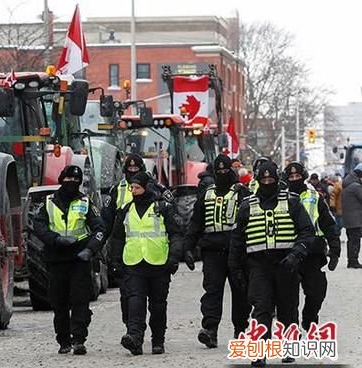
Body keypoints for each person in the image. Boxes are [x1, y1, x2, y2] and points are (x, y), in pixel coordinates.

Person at [229, 161, 315, 367]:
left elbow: (307, 231)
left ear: (277, 179)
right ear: (258, 180)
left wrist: (296, 254)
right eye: (264, 179)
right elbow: (237, 240)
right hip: (258, 265)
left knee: (288, 308)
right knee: (261, 308)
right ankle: (260, 351)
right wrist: (235, 269)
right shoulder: (247, 205)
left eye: (271, 179)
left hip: (287, 263)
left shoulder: (292, 202)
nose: (267, 182)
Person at [32, 165, 106, 355]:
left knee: (80, 301)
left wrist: (90, 250)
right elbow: (39, 227)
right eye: (68, 180)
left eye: (76, 181)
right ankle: (63, 341)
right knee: (59, 303)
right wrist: (55, 239)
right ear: (61, 180)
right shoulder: (48, 203)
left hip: (79, 259)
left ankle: (79, 340)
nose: (71, 184)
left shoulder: (86, 202)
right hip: (56, 259)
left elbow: (99, 229)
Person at [110, 172, 184, 356]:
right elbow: (118, 238)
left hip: (159, 264)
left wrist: (174, 257)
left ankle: (158, 340)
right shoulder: (126, 210)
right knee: (135, 301)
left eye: (137, 188)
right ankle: (135, 337)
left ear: (146, 188)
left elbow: (176, 234)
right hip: (134, 264)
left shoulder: (163, 208)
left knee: (158, 305)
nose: (134, 191)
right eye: (132, 188)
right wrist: (115, 262)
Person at [185, 154, 251, 348]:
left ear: (231, 170)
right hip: (212, 251)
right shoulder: (207, 194)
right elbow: (196, 223)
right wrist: (188, 248)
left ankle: (241, 330)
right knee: (212, 291)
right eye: (219, 170)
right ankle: (210, 330)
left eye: (225, 169)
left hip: (237, 251)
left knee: (240, 291)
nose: (222, 173)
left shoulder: (241, 193)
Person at [102, 153, 171, 326]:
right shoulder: (116, 189)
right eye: (130, 168)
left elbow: (170, 214)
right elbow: (107, 222)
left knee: (156, 301)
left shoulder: (156, 187)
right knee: (129, 296)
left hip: (154, 251)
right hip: (128, 250)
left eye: (136, 168)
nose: (133, 171)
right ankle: (132, 328)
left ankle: (152, 334)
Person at [282, 162, 341, 330]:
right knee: (289, 297)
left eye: (297, 176)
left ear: (304, 176)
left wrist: (335, 250)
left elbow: (328, 225)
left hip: (312, 253)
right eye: (291, 177)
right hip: (288, 252)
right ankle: (291, 330)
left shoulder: (315, 197)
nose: (294, 179)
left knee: (316, 292)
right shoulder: (280, 199)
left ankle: (309, 317)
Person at [341, 164, 362, 268]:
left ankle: (351, 260)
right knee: (355, 241)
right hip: (355, 219)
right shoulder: (356, 186)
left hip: (350, 219)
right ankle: (353, 261)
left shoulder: (348, 184)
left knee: (352, 240)